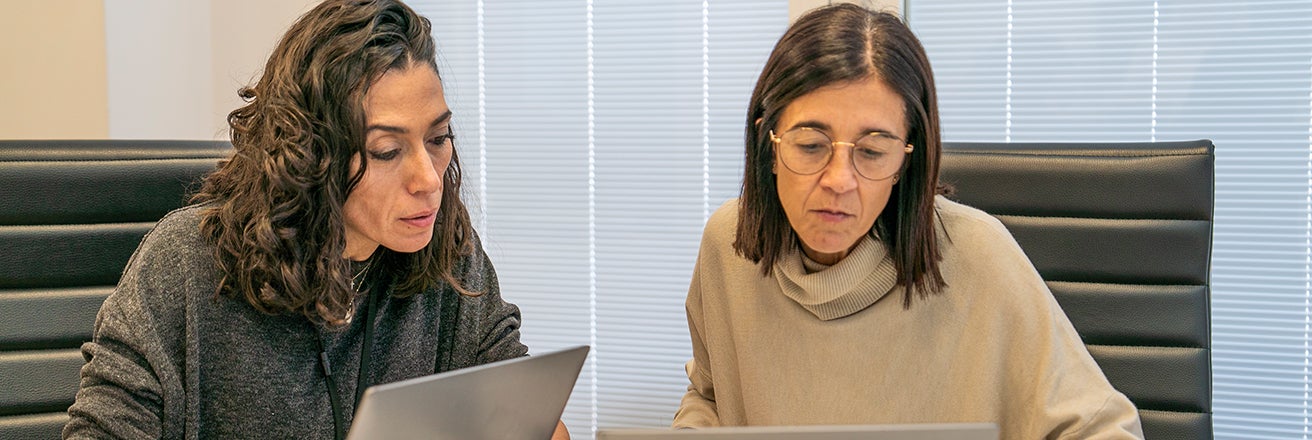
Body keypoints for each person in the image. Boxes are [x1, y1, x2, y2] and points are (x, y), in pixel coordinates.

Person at [63, 1, 568, 439]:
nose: (429, 180)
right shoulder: (184, 267)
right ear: (312, 158)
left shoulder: (447, 251)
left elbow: (534, 422)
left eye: (437, 139)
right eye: (388, 151)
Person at [672, 4, 1142, 439]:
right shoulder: (727, 244)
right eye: (811, 145)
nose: (839, 180)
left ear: (904, 162)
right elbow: (711, 396)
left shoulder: (977, 254)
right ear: (768, 145)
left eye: (872, 152)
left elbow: (1103, 429)